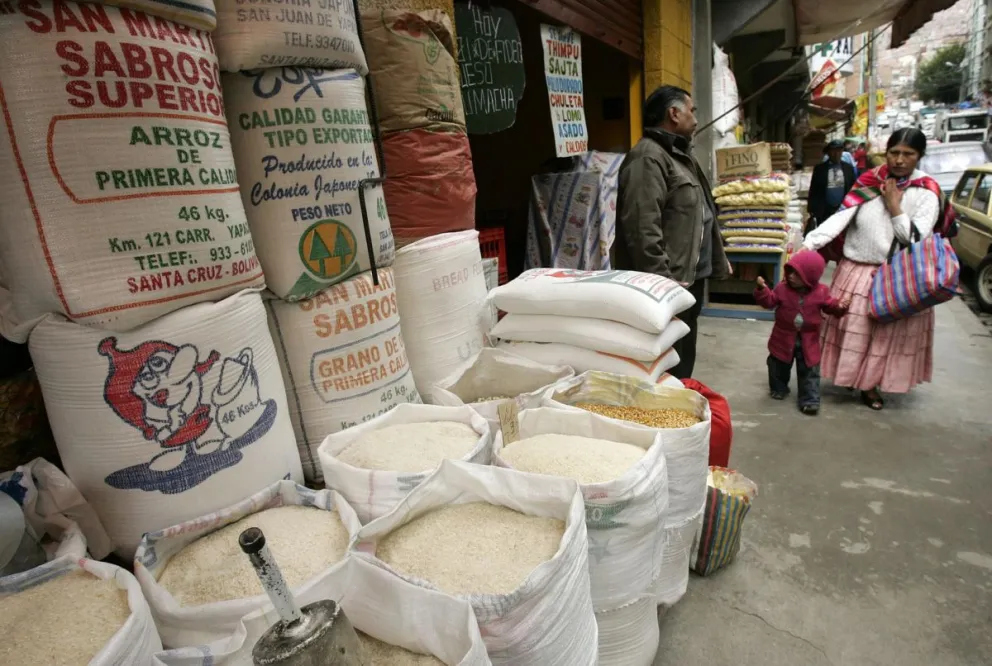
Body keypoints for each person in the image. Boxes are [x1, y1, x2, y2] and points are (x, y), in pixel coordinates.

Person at [800, 128, 942, 410]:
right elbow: (841, 218)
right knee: (854, 333)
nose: (899, 160)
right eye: (894, 152)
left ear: (920, 156)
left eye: (908, 154)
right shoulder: (869, 182)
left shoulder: (927, 192)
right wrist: (808, 245)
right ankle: (854, 377)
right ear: (885, 153)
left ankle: (870, 386)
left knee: (883, 338)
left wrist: (894, 207)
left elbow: (913, 239)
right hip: (855, 271)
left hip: (895, 276)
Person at [613, 85, 731, 379]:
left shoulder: (679, 156)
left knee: (683, 357)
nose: (695, 118)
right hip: (670, 284)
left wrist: (717, 259)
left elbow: (700, 212)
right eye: (691, 110)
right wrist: (664, 286)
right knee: (666, 365)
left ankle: (682, 400)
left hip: (689, 280)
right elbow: (642, 229)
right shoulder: (648, 158)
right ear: (673, 114)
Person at [754, 252, 850, 416]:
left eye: (797, 274)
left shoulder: (821, 291)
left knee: (810, 370)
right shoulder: (782, 288)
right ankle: (779, 388)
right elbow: (770, 301)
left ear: (810, 276)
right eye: (790, 271)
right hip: (782, 337)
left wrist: (839, 306)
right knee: (777, 364)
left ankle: (809, 400)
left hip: (808, 339)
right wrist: (762, 290)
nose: (791, 276)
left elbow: (829, 306)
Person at [808, 140, 856, 231]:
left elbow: (853, 188)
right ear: (828, 153)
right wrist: (812, 209)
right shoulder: (820, 169)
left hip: (843, 209)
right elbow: (813, 189)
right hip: (825, 210)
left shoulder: (848, 168)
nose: (836, 154)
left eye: (839, 151)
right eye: (833, 151)